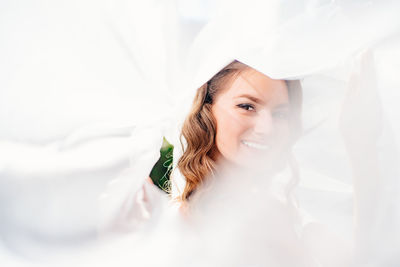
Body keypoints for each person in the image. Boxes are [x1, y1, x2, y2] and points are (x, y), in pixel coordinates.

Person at [175, 60, 302, 204]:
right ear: (207, 110)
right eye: (247, 107)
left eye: (280, 114)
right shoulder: (180, 220)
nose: (267, 129)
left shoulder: (286, 216)